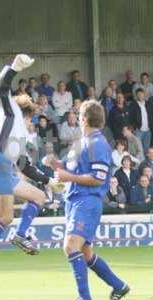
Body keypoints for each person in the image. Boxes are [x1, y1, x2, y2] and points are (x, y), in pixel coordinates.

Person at [0, 55, 60, 287]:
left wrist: (48, 180)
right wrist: (14, 67)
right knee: (5, 217)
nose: (34, 124)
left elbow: (23, 165)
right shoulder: (12, 113)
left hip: (3, 167)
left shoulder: (18, 133)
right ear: (28, 112)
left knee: (39, 197)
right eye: (34, 119)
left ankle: (18, 236)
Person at [46, 100, 129, 300]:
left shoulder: (99, 144)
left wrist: (68, 177)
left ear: (84, 119)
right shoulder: (80, 143)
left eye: (78, 115)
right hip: (75, 201)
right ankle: (119, 286)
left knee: (70, 246)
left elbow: (98, 178)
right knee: (85, 254)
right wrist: (54, 163)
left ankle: (84, 297)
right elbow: (67, 167)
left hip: (87, 201)